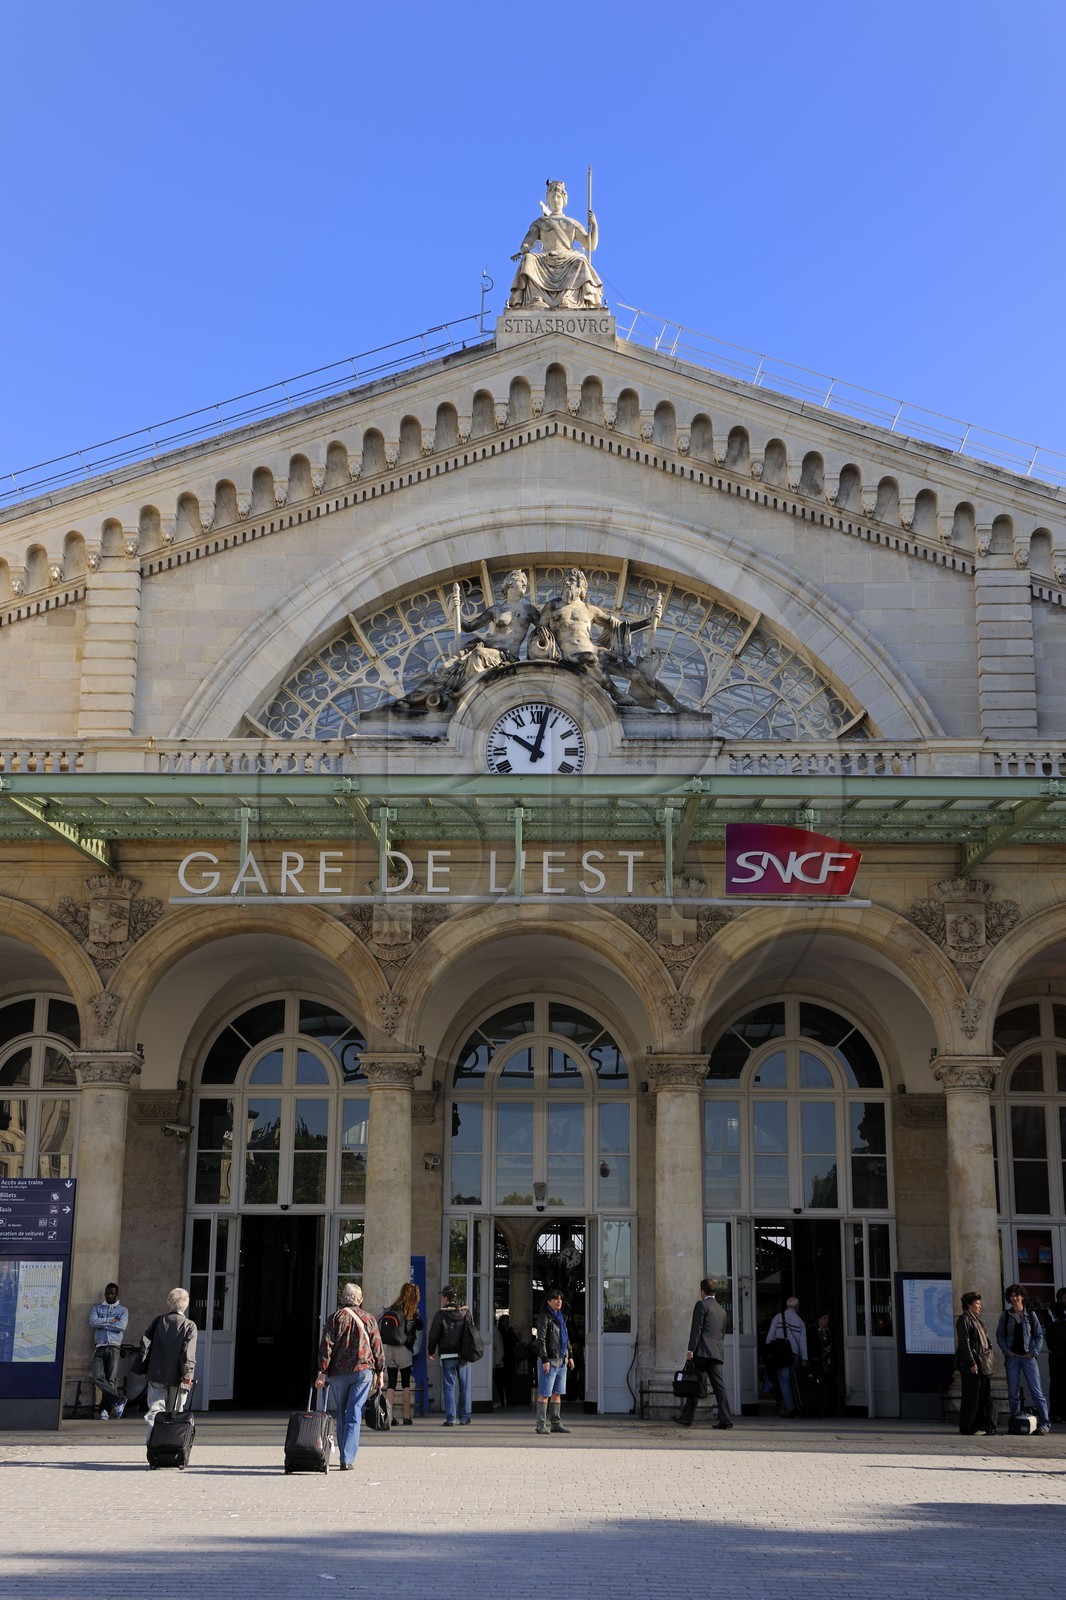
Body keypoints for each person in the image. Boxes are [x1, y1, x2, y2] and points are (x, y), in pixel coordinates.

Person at [396, 569, 540, 712]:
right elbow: (469, 626)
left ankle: (460, 695)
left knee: (478, 656)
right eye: (520, 580)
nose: (524, 584)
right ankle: (412, 699)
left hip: (506, 656)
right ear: (509, 584)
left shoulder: (530, 610)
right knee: (446, 668)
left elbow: (545, 628)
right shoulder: (496, 610)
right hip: (488, 648)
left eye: (525, 582)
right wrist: (454, 610)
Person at [531, 567, 662, 708]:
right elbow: (540, 627)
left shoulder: (589, 609)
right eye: (566, 581)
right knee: (590, 659)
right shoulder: (552, 606)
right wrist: (531, 616)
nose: (567, 583)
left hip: (594, 649)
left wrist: (648, 621)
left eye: (572, 581)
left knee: (632, 671)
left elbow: (619, 627)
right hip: (571, 655)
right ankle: (616, 693)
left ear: (581, 587)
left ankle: (677, 706)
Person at [315, 1282, 386, 1469]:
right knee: (354, 1411)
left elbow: (326, 1346)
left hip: (339, 1372)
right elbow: (377, 1346)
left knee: (342, 1412)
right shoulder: (369, 1319)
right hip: (363, 1371)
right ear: (360, 1299)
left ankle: (343, 1455)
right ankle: (347, 1458)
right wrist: (380, 1372)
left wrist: (322, 1372)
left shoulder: (334, 1319)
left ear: (342, 1299)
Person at [507, 179, 604, 311]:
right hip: (545, 257)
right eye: (552, 196)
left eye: (558, 196)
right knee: (529, 259)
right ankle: (537, 297)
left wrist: (594, 225)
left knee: (580, 260)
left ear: (564, 199)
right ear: (548, 199)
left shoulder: (572, 223)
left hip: (568, 257)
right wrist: (525, 247)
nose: (556, 200)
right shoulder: (540, 222)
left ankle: (569, 298)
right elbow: (527, 242)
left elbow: (590, 245)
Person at [139, 1287, 197, 1442]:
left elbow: (145, 1344)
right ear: (186, 1304)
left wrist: (144, 1367)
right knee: (175, 1414)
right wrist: (188, 1375)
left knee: (155, 1412)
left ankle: (152, 1445)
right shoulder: (189, 1325)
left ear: (168, 1303)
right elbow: (188, 1354)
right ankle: (171, 1446)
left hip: (156, 1373)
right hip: (178, 1376)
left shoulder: (158, 1321)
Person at [675, 1276, 733, 1430]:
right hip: (716, 1353)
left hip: (702, 1352)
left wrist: (690, 1350)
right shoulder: (721, 1310)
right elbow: (722, 1333)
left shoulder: (701, 1305)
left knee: (693, 1382)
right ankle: (726, 1419)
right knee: (720, 1387)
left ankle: (687, 1418)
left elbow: (697, 1329)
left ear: (702, 1291)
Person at [996, 1284, 1050, 1433]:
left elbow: (1039, 1334)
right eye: (1012, 1296)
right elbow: (999, 1334)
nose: (1014, 1298)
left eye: (1017, 1295)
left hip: (1028, 1358)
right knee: (1013, 1392)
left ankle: (1045, 1423)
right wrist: (1006, 1351)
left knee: (1036, 1391)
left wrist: (1034, 1352)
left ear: (1022, 1297)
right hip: (1012, 1358)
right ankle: (1017, 1422)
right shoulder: (1006, 1315)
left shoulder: (1030, 1315)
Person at [427, 1284, 473, 1426]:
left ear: (447, 1299)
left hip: (448, 1355)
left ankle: (450, 1418)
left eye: (443, 1297)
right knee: (464, 1386)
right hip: (463, 1355)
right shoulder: (466, 1313)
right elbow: (472, 1332)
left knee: (449, 1386)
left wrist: (431, 1350)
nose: (442, 1299)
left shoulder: (440, 1314)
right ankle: (464, 1417)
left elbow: (433, 1334)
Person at [381, 1281, 423, 1427]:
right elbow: (420, 1326)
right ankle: (406, 1417)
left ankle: (388, 1417)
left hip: (389, 1347)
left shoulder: (393, 1307)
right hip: (403, 1348)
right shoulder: (412, 1311)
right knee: (405, 1383)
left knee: (391, 1384)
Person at [533, 1288, 575, 1435]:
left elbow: (565, 1338)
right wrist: (544, 1359)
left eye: (560, 1299)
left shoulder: (561, 1317)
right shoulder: (545, 1317)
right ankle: (540, 1424)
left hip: (561, 1360)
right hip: (550, 1360)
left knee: (557, 1393)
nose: (559, 1301)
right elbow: (541, 1340)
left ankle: (556, 1423)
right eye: (556, 1299)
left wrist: (570, 1355)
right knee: (545, 1393)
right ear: (549, 1301)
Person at [955, 1290, 997, 1436]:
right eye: (977, 1303)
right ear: (969, 1305)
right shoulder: (964, 1320)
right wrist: (972, 1362)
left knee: (981, 1396)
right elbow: (964, 1343)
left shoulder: (977, 1320)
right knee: (971, 1397)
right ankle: (967, 1426)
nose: (979, 1306)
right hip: (973, 1365)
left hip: (983, 1364)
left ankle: (979, 1424)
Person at [89, 1281, 128, 1421]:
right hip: (99, 1346)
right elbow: (93, 1322)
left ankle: (104, 1410)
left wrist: (103, 1322)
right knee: (97, 1376)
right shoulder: (97, 1308)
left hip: (114, 1346)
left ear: (117, 1294)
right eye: (107, 1293)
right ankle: (118, 1400)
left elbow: (121, 1326)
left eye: (112, 1293)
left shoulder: (123, 1310)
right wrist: (112, 1320)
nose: (109, 1295)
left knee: (111, 1379)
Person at [765, 1296, 807, 1417]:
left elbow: (770, 1337)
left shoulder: (778, 1317)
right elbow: (802, 1343)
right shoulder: (800, 1322)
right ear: (797, 1307)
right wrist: (804, 1359)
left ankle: (790, 1408)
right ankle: (787, 1409)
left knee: (784, 1382)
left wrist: (769, 1352)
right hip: (795, 1355)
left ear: (787, 1306)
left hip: (781, 1355)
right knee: (794, 1383)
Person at [1043, 1286, 1066, 1423]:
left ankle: (1064, 1414)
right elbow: (1049, 1330)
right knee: (1056, 1384)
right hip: (1056, 1355)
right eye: (1064, 1297)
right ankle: (1054, 1413)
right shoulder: (1052, 1311)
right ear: (1059, 1299)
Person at [809, 1310, 839, 1414]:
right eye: (824, 1318)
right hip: (817, 1363)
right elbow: (810, 1346)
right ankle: (818, 1408)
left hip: (829, 1363)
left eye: (827, 1318)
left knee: (832, 1386)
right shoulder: (812, 1330)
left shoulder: (829, 1331)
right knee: (818, 1386)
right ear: (819, 1319)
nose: (826, 1320)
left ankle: (830, 1407)